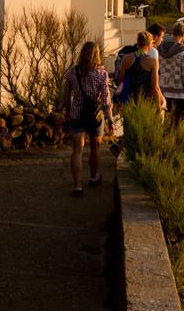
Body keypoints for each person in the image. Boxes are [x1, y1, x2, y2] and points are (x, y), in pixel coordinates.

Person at [61, 41, 115, 197]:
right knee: (95, 148)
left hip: (77, 114)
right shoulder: (101, 74)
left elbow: (66, 96)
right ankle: (93, 178)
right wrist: (111, 120)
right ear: (96, 55)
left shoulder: (72, 72)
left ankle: (77, 187)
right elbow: (106, 101)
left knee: (77, 151)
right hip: (94, 116)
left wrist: (68, 111)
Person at [157, 22, 184, 127]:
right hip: (179, 96)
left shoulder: (159, 48)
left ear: (173, 32)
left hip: (162, 93)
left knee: (163, 124)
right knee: (176, 126)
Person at [115, 30, 164, 112]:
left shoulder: (126, 58)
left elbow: (120, 80)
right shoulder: (152, 62)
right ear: (149, 44)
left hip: (128, 101)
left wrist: (120, 99)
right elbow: (155, 87)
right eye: (152, 43)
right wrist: (158, 108)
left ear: (138, 43)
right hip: (145, 103)